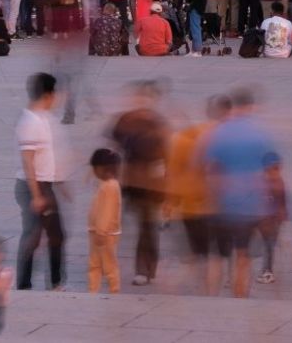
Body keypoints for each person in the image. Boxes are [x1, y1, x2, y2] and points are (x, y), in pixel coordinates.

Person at [202, 88, 278, 299]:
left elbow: (208, 169)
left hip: (221, 205)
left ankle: (210, 299)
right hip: (250, 206)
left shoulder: (218, 133)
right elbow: (272, 171)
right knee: (243, 257)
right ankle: (240, 300)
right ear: (251, 106)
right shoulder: (260, 134)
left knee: (216, 257)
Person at [166, 94, 231, 295]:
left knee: (197, 256)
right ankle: (211, 295)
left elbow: (172, 174)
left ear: (207, 111)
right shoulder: (228, 138)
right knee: (216, 257)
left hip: (190, 207)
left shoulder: (183, 138)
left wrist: (169, 204)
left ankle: (200, 293)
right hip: (220, 206)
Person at [108, 82, 169, 287]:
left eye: (145, 98)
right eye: (138, 97)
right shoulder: (125, 120)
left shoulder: (158, 123)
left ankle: (144, 269)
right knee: (115, 222)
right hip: (130, 182)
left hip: (151, 185)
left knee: (147, 227)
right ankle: (110, 263)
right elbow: (113, 146)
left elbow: (167, 155)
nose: (141, 102)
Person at [13, 73, 67, 291]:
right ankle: (28, 284)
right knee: (34, 236)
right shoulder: (30, 122)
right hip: (34, 186)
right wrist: (36, 195)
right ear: (48, 95)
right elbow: (28, 161)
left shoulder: (43, 117)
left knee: (53, 235)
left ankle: (53, 282)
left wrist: (59, 181)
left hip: (45, 184)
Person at [87, 148, 122, 294]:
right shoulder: (106, 185)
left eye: (95, 169)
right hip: (97, 232)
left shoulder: (110, 187)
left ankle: (114, 289)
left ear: (103, 168)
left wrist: (101, 231)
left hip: (106, 234)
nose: (94, 172)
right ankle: (93, 290)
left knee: (108, 265)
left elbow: (107, 211)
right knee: (94, 264)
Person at [255, 152, 288, 286]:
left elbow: (283, 203)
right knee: (264, 246)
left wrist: (282, 216)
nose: (276, 171)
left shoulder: (278, 182)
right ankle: (266, 271)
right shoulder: (262, 182)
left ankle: (267, 271)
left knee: (269, 245)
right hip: (263, 220)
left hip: (272, 220)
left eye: (278, 168)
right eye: (274, 168)